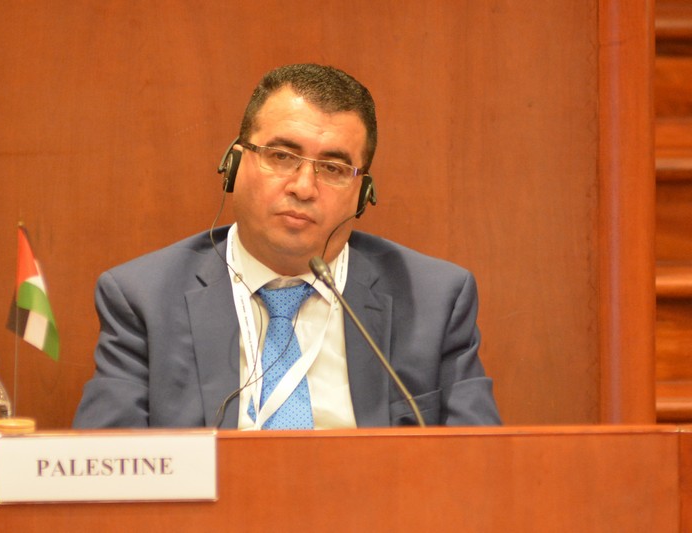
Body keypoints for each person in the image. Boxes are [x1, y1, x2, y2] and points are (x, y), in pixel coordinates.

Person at [73, 63, 501, 429]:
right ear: (233, 165)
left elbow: (479, 463)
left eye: (333, 168)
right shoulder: (144, 298)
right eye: (281, 156)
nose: (303, 187)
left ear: (362, 195)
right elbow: (107, 467)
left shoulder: (433, 300)